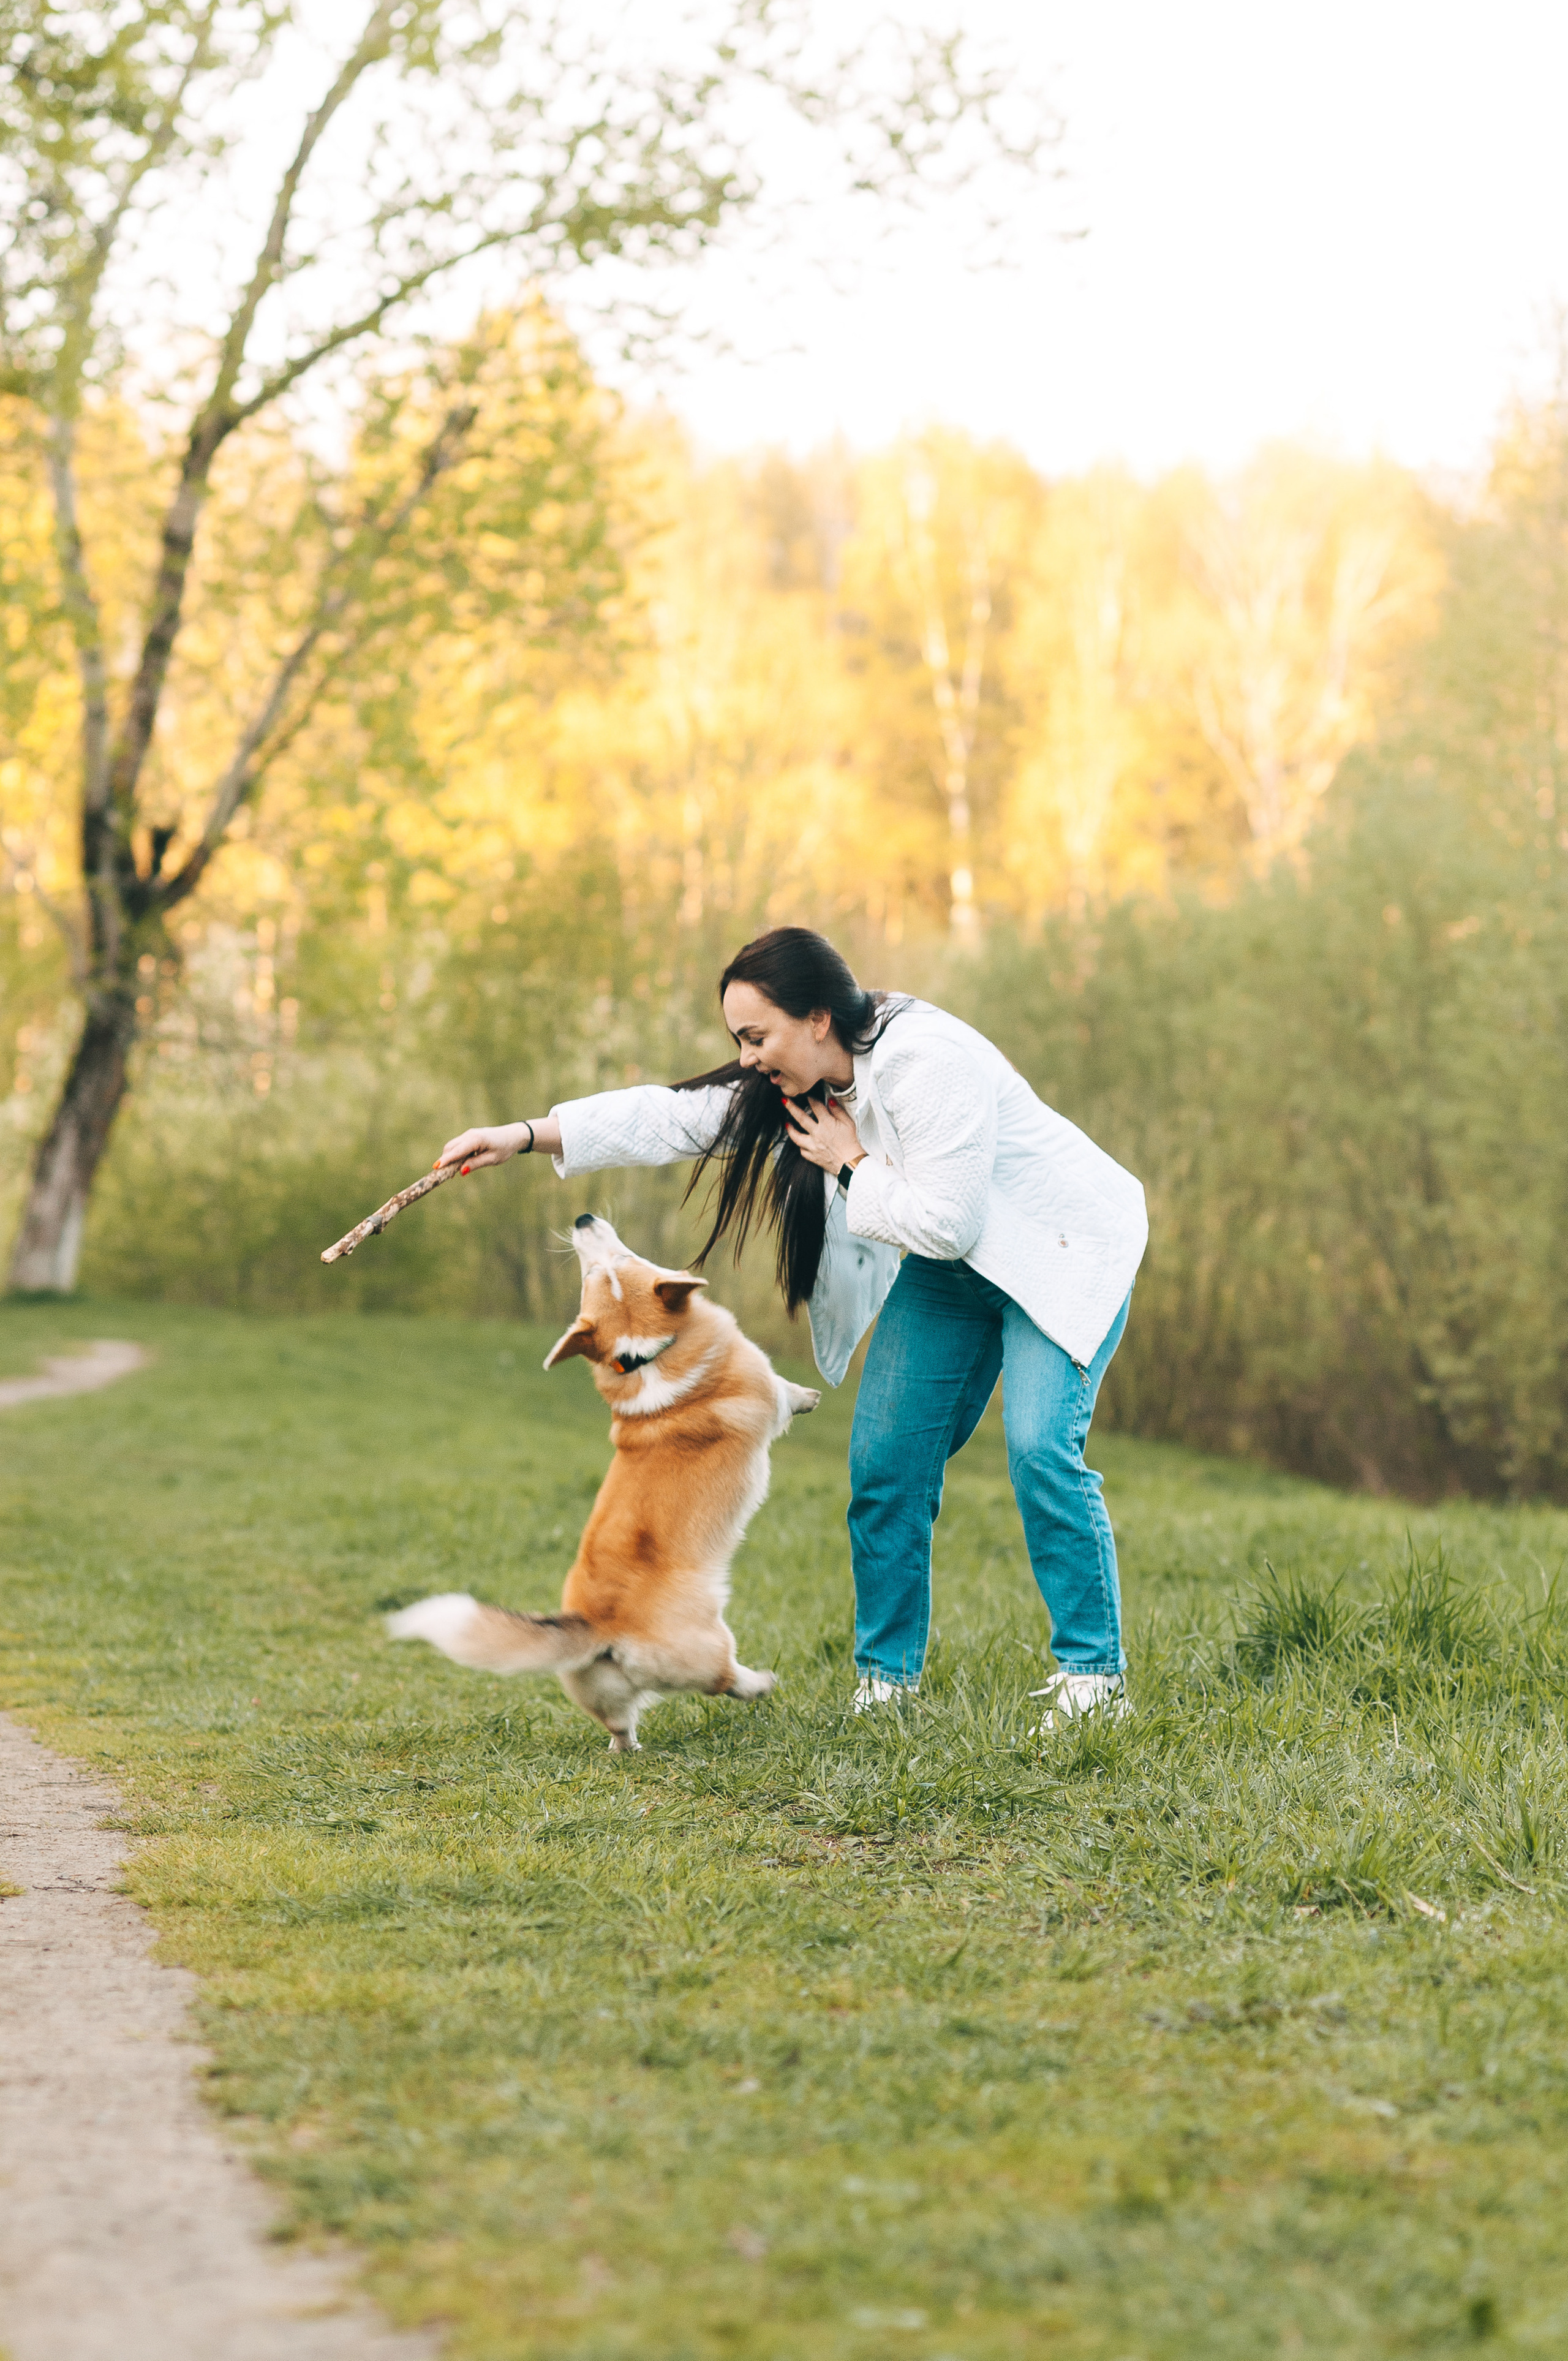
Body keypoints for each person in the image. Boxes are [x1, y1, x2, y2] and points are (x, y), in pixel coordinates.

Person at [436, 927, 1148, 1728]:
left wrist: (849, 1164)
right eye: (738, 1039)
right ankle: (888, 1682)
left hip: (1061, 1248)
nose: (745, 1057)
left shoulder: (927, 1059)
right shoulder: (805, 1081)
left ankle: (1094, 1677)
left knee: (1040, 1446)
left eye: (755, 1036)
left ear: (817, 1018)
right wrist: (524, 1135)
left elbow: (949, 1220)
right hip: (957, 1266)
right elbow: (675, 1116)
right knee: (886, 1461)